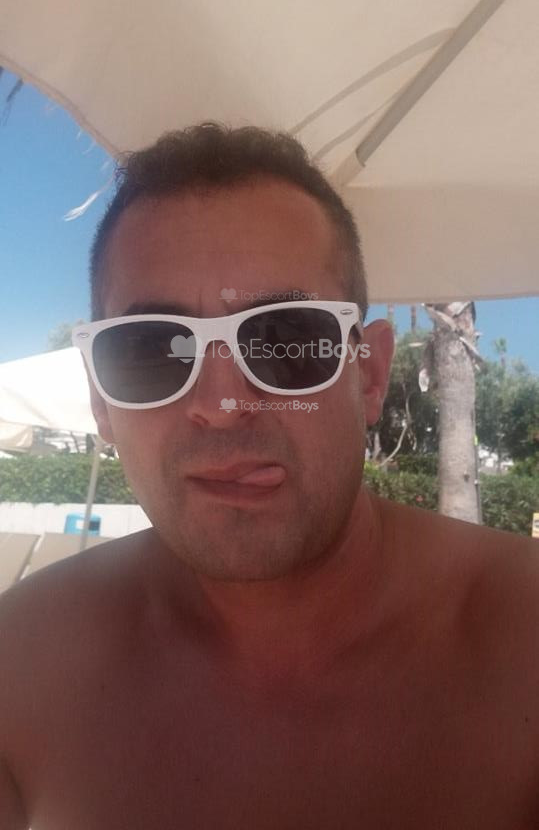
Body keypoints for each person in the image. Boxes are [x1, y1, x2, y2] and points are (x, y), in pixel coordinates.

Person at [1, 123, 538, 829]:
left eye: (286, 339)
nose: (222, 406)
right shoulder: (22, 667)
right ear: (101, 401)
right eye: (152, 351)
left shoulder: (521, 643)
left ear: (370, 376)